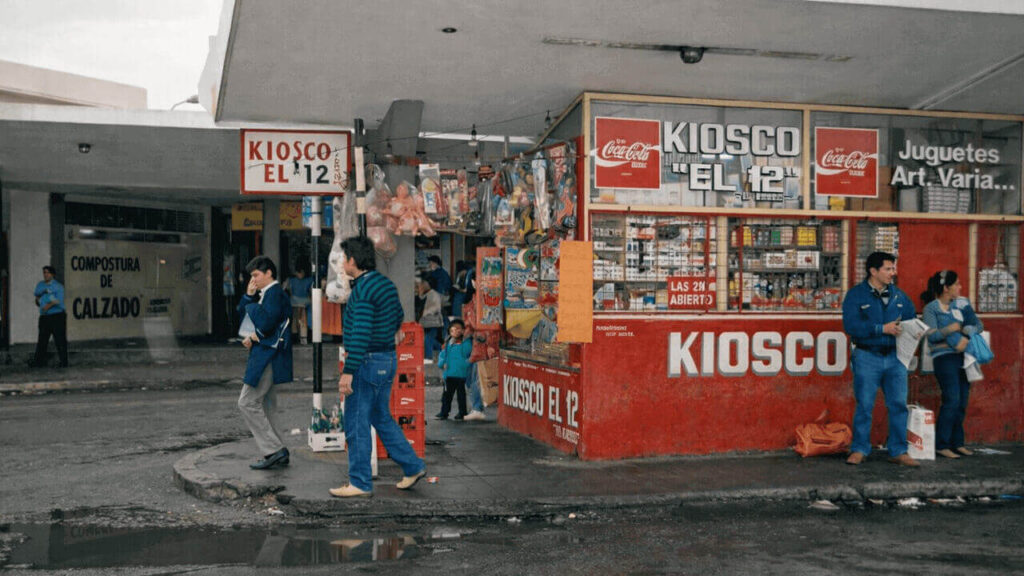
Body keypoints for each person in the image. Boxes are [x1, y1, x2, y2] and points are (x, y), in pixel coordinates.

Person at [329, 236, 426, 498]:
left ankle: (359, 482)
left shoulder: (362, 290)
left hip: (367, 362)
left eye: (343, 258)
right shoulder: (384, 284)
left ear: (353, 260)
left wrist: (348, 372)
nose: (341, 262)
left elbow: (359, 333)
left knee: (357, 422)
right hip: (387, 359)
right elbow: (397, 316)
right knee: (380, 417)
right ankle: (413, 465)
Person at [841, 251, 919, 467]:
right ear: (873, 271)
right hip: (867, 355)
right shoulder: (856, 295)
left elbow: (912, 320)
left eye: (893, 268)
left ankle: (899, 450)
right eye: (888, 269)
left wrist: (914, 330)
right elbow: (850, 325)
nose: (892, 273)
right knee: (865, 404)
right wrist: (881, 329)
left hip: (895, 358)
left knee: (898, 405)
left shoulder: (900, 296)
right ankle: (859, 449)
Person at [236, 255, 293, 470]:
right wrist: (249, 297)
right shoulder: (269, 294)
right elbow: (246, 317)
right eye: (251, 276)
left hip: (267, 356)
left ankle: (274, 450)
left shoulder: (274, 294)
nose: (253, 280)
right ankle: (277, 449)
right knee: (267, 405)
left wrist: (254, 335)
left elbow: (266, 323)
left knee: (247, 402)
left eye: (256, 275)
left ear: (269, 272)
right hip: (270, 354)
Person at [921, 270, 983, 459]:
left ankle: (958, 443)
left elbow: (977, 325)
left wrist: (965, 333)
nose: (960, 287)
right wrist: (951, 329)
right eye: (956, 284)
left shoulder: (962, 303)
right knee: (952, 399)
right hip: (944, 358)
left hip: (964, 357)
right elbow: (932, 335)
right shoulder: (931, 308)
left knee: (962, 400)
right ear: (946, 288)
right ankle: (942, 444)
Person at [435, 319, 473, 420]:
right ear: (450, 332)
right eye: (453, 330)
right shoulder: (448, 343)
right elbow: (443, 355)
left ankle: (462, 412)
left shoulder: (466, 343)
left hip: (461, 373)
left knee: (461, 395)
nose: (456, 332)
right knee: (447, 396)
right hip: (449, 374)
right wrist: (441, 364)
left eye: (458, 329)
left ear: (463, 331)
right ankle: (444, 412)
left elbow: (467, 352)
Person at [30, 265, 68, 368]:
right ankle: (38, 362)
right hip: (45, 316)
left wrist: (48, 305)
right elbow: (37, 297)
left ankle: (63, 362)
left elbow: (58, 300)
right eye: (44, 273)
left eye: (48, 273)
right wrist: (39, 302)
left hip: (57, 315)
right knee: (42, 340)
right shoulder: (40, 285)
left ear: (52, 274)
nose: (46, 275)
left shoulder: (58, 286)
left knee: (59, 339)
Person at [416, 274, 444, 362]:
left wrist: (426, 312)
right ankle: (442, 351)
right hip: (426, 323)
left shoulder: (434, 294)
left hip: (433, 323)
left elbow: (435, 308)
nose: (421, 285)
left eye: (423, 283)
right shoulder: (426, 294)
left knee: (428, 339)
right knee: (430, 340)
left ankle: (428, 359)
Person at [284, 262, 314, 345]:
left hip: (302, 302)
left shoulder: (308, 280)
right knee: (295, 319)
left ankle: (302, 336)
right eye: (299, 272)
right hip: (296, 301)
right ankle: (297, 336)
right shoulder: (291, 280)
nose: (300, 274)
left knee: (302, 319)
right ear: (296, 272)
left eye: (302, 272)